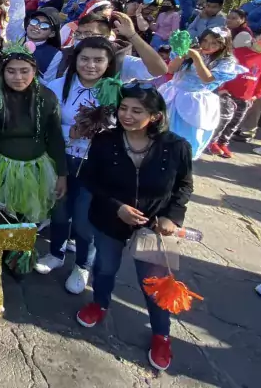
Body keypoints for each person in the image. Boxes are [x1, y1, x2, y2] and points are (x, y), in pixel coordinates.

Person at [77, 84, 193, 372]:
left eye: (136, 111)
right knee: (104, 267)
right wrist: (116, 206)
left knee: (156, 284)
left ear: (154, 116)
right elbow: (91, 179)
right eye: (123, 109)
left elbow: (184, 186)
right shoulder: (106, 140)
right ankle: (99, 304)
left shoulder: (176, 146)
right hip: (109, 218)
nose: (127, 115)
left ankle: (161, 334)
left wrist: (172, 217)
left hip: (155, 228)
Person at [37, 37, 120, 293]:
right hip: (62, 160)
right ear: (75, 60)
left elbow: (124, 125)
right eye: (84, 58)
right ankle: (55, 253)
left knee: (85, 220)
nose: (91, 65)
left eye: (98, 60)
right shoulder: (57, 85)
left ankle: (83, 265)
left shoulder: (115, 90)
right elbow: (44, 124)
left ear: (109, 63)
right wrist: (68, 132)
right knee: (59, 210)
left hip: (95, 166)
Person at [0, 43, 67, 224]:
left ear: (34, 71)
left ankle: (25, 253)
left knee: (27, 227)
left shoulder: (46, 97)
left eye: (24, 71)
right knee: (0, 224)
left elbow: (55, 138)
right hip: (2, 172)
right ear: (2, 72)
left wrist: (62, 174)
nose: (18, 77)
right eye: (11, 71)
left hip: (38, 171)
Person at [158, 27, 245, 159]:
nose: (207, 45)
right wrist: (182, 54)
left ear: (223, 45)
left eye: (214, 43)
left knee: (183, 134)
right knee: (161, 128)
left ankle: (179, 162)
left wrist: (196, 58)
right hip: (172, 93)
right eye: (205, 40)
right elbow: (171, 69)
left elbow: (207, 79)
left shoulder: (225, 62)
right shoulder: (191, 49)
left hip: (195, 101)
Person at [208, 28, 261, 158]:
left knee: (235, 121)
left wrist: (257, 95)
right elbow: (224, 70)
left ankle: (223, 143)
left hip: (247, 96)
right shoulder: (238, 53)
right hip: (228, 93)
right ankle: (212, 141)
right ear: (254, 38)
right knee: (224, 118)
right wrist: (222, 88)